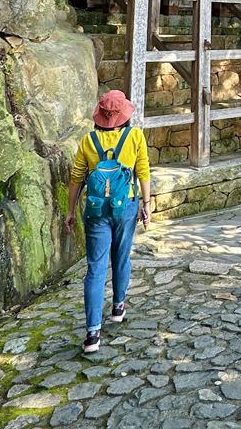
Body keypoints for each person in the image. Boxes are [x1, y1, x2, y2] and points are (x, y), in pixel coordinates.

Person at [64, 90, 151, 353]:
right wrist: (147, 206)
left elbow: (76, 178)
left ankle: (92, 334)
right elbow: (143, 170)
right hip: (127, 206)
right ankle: (118, 307)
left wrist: (70, 212)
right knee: (121, 257)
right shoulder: (135, 136)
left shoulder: (88, 141)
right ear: (124, 114)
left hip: (95, 210)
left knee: (95, 268)